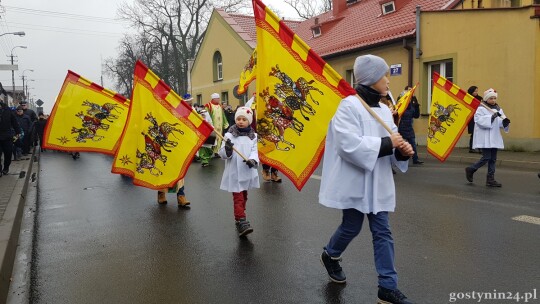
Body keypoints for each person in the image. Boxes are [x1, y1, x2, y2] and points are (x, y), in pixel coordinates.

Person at [318, 54, 415, 304]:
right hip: (356, 182)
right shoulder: (348, 106)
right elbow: (347, 146)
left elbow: (392, 141)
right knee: (351, 226)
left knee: (382, 231)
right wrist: (387, 143)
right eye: (384, 76)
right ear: (371, 78)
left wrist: (401, 150)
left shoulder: (384, 109)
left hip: (378, 182)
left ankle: (387, 286)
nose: (388, 81)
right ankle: (331, 254)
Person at [218, 106, 259, 237]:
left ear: (249, 121)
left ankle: (239, 217)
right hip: (235, 172)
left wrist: (252, 160)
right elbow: (222, 153)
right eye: (238, 119)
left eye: (244, 119)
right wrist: (228, 149)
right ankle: (241, 220)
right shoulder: (229, 135)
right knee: (238, 197)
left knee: (244, 195)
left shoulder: (253, 136)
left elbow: (254, 151)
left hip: (246, 171)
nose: (241, 121)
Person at [465, 88, 510, 187]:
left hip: (494, 137)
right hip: (485, 137)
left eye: (494, 98)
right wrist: (491, 117)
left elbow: (500, 122)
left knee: (493, 159)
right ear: (486, 99)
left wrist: (505, 122)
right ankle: (471, 169)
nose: (493, 100)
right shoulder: (481, 108)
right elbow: (478, 121)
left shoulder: (499, 109)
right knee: (486, 157)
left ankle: (490, 179)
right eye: (491, 98)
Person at [157, 94, 194, 207]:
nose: (190, 104)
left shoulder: (193, 114)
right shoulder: (174, 112)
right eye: (188, 102)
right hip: (168, 146)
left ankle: (181, 197)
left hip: (182, 147)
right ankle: (161, 194)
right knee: (164, 172)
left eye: (191, 103)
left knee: (180, 174)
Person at [398, 85, 423, 165]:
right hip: (402, 125)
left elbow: (416, 115)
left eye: (411, 90)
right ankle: (399, 159)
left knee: (413, 143)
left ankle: (415, 159)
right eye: (408, 90)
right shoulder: (401, 99)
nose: (410, 91)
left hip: (409, 126)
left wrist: (417, 106)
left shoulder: (413, 100)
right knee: (401, 144)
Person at [0, 102, 21, 176]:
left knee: (8, 153)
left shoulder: (8, 110)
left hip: (7, 136)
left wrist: (18, 132)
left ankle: (6, 168)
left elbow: (14, 121)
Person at [466, 86, 482, 153]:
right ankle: (472, 148)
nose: (476, 92)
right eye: (475, 91)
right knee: (473, 133)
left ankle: (478, 148)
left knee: (479, 133)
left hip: (478, 117)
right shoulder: (468, 98)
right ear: (471, 92)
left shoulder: (479, 98)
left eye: (477, 91)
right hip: (471, 118)